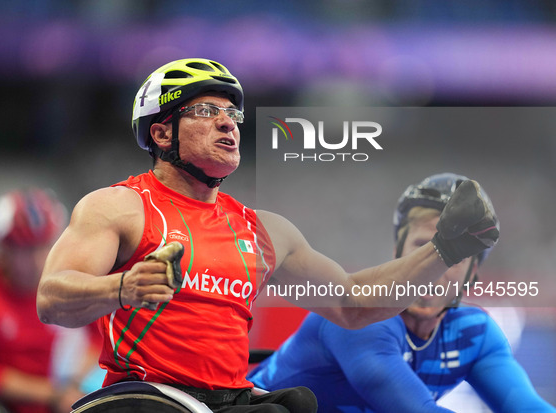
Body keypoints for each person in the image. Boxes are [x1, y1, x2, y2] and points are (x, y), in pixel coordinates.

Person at [35, 59, 499, 413]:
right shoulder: (120, 206)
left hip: (230, 401)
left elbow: (353, 304)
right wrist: (123, 287)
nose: (228, 122)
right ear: (161, 133)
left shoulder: (264, 230)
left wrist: (448, 248)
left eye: (232, 114)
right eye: (205, 110)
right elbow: (52, 298)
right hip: (149, 398)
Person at [248, 173, 555, 413]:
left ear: (473, 275)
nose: (437, 270)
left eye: (455, 257)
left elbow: (527, 407)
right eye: (424, 247)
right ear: (399, 254)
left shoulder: (474, 333)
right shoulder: (361, 321)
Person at [0, 188, 101, 413]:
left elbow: (99, 338)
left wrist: (75, 385)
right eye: (26, 249)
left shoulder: (72, 286)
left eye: (44, 245)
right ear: (4, 248)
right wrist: (56, 394)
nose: (37, 259)